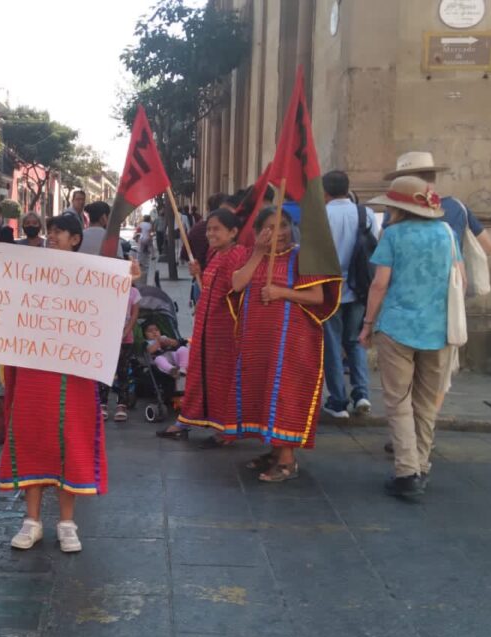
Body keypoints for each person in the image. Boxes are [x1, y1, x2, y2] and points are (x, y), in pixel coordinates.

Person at [0, 213, 133, 553]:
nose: (53, 236)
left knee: (71, 441)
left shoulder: (92, 276)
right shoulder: (28, 268)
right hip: (34, 369)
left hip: (74, 373)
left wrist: (127, 281)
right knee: (32, 438)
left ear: (75, 240)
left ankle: (67, 523)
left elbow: (109, 312)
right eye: (50, 231)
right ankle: (32, 521)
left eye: (61, 232)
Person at [381, 151, 491, 455]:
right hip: (444, 311)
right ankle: (421, 447)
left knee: (399, 394)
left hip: (399, 315)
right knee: (433, 387)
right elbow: (487, 246)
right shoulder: (457, 209)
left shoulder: (394, 218)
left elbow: (382, 272)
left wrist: (369, 321)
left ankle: (405, 448)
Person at [359, 176, 456, 498]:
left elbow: (379, 284)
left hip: (397, 327)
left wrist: (368, 323)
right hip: (439, 329)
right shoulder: (447, 233)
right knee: (427, 403)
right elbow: (462, 281)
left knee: (398, 402)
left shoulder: (394, 235)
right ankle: (422, 465)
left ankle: (407, 472)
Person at [230, 206, 342, 482]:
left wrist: (281, 292)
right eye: (270, 227)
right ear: (257, 232)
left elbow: (317, 296)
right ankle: (274, 451)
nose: (277, 232)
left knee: (286, 394)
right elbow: (237, 284)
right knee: (264, 393)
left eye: (283, 226)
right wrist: (257, 253)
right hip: (259, 340)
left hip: (292, 340)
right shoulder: (251, 255)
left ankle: (287, 461)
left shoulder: (301, 256)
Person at [157, 209, 248, 446]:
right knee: (199, 375)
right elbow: (212, 287)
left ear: (233, 232)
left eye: (216, 229)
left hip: (224, 330)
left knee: (222, 379)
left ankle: (226, 429)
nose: (210, 233)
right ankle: (189, 419)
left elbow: (235, 288)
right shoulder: (215, 253)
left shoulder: (238, 254)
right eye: (209, 229)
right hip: (206, 328)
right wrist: (200, 274)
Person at [321, 170, 374, 419]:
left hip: (329, 289)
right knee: (355, 341)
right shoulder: (366, 213)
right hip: (360, 287)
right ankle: (362, 392)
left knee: (331, 345)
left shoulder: (322, 216)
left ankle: (338, 401)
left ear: (325, 191)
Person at [100, 280, 140, 423]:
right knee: (104, 372)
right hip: (106, 337)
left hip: (125, 339)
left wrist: (125, 332)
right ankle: (102, 403)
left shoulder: (134, 293)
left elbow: (134, 316)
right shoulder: (105, 289)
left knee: (123, 371)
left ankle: (121, 405)